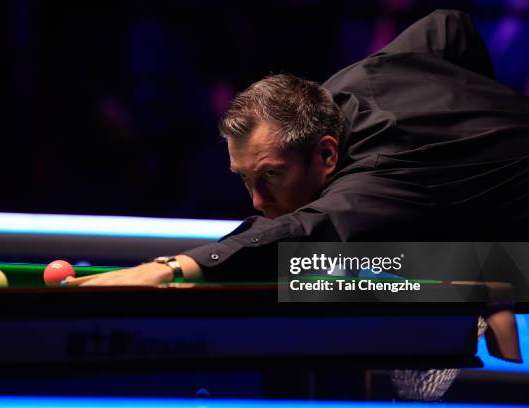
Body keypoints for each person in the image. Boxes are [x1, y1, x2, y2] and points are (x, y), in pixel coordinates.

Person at [73, 9, 529, 288]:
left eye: (271, 175)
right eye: (246, 179)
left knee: (409, 275)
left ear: (328, 155)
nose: (257, 200)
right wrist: (484, 106)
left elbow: (303, 233)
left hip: (518, 253)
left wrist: (173, 268)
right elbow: (449, 25)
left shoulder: (375, 179)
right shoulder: (357, 82)